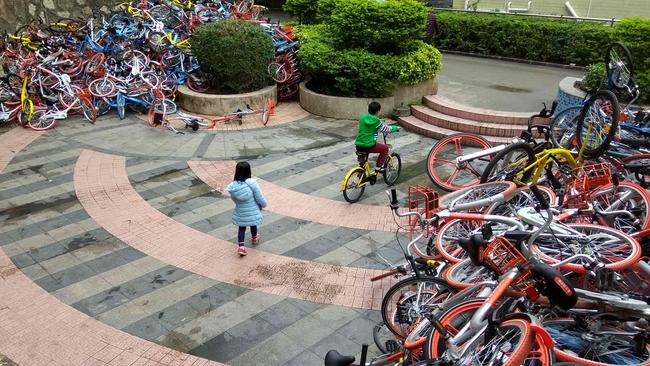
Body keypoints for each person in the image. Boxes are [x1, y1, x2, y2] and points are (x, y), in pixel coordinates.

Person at [227, 161, 268, 256]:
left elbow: (233, 198)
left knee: (241, 228)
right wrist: (264, 204)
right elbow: (259, 196)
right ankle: (254, 238)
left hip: (240, 210)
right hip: (252, 209)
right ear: (248, 171)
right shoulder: (252, 183)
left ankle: (241, 247)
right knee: (253, 223)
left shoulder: (233, 186)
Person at [355, 102, 399, 173]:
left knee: (363, 161)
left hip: (359, 144)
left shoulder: (363, 117)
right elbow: (386, 129)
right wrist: (395, 128)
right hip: (369, 145)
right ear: (377, 111)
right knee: (385, 148)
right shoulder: (377, 121)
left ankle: (361, 174)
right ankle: (378, 167)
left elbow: (368, 127)